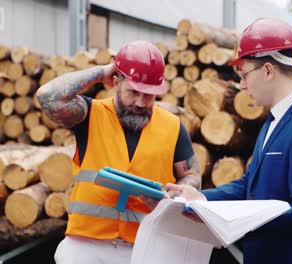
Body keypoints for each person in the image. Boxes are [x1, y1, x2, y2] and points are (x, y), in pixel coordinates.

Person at [166, 18, 292, 264]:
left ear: (268, 70)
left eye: (245, 75)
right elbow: (250, 185)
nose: (242, 85)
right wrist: (201, 199)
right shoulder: (273, 120)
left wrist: (232, 216)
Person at [36, 40, 201, 264]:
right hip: (86, 246)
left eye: (149, 95)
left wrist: (182, 191)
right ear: (115, 81)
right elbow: (47, 96)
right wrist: (101, 71)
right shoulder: (90, 115)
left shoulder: (173, 126)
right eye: (133, 92)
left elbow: (191, 175)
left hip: (145, 245)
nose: (141, 102)